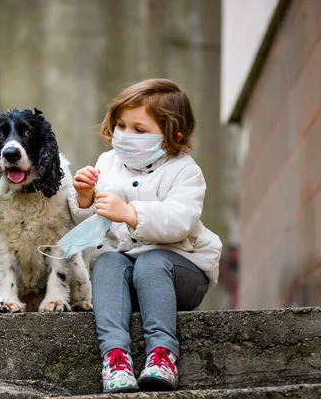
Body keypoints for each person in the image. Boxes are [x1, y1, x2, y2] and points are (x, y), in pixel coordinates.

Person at [69, 79, 222, 393]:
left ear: (172, 135)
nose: (125, 136)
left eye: (139, 130)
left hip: (182, 275)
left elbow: (178, 221)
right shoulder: (107, 163)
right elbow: (94, 222)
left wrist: (130, 213)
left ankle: (162, 354)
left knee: (152, 262)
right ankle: (115, 358)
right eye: (121, 125)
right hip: (128, 280)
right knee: (107, 262)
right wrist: (85, 197)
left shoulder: (185, 171)